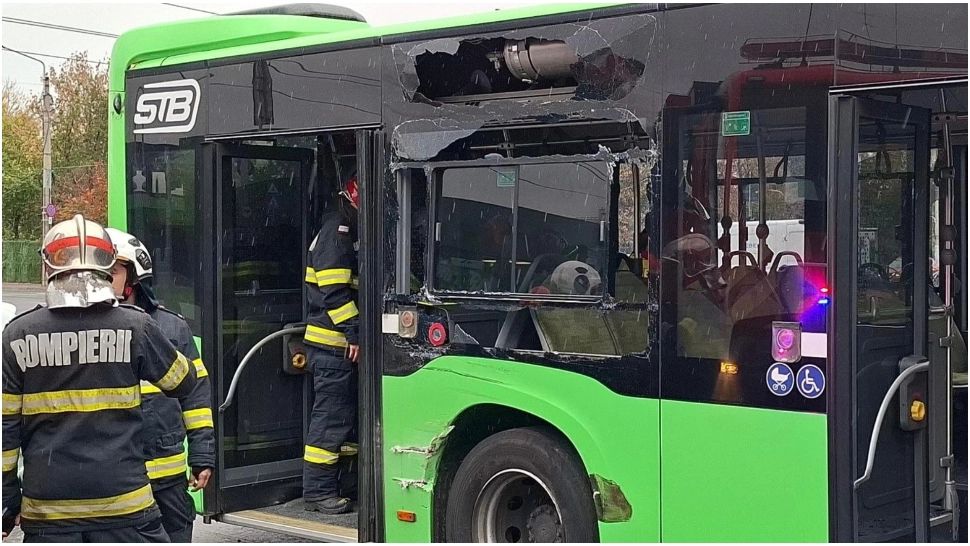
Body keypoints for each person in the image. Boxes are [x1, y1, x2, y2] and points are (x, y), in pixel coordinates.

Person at [2, 215, 202, 542]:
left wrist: (8, 503)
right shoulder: (137, 327)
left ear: (49, 268)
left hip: (49, 513)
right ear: (107, 270)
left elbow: (5, 437)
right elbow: (184, 382)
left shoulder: (17, 335)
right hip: (124, 508)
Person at [106, 228, 215, 543]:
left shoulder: (172, 328)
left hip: (167, 481)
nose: (102, 280)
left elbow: (196, 397)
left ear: (135, 275)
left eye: (111, 272)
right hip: (117, 482)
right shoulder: (90, 330)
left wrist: (202, 455)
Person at [302, 176, 360, 515]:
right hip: (332, 347)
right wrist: (354, 333)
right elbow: (334, 292)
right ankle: (318, 492)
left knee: (344, 421)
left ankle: (343, 486)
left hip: (339, 349)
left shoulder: (346, 229)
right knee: (330, 420)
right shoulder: (337, 231)